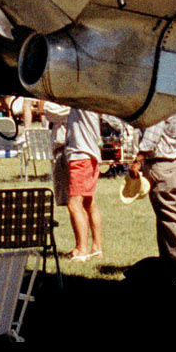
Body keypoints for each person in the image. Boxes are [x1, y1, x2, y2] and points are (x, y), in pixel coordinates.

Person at [134, 109, 176, 282]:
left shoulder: (162, 108)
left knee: (169, 217)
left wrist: (138, 160)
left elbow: (153, 132)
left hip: (160, 164)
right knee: (164, 216)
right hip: (171, 164)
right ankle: (168, 263)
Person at [63, 106, 104, 262]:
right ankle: (96, 248)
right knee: (89, 202)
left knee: (74, 204)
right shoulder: (90, 101)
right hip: (91, 155)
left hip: (80, 157)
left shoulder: (79, 101)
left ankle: (82, 250)